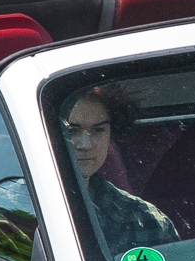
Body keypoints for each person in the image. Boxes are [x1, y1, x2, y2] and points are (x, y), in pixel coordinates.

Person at [62, 84, 178, 252]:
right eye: (71, 130)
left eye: (98, 130)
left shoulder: (145, 220)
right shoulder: (20, 212)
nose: (86, 144)